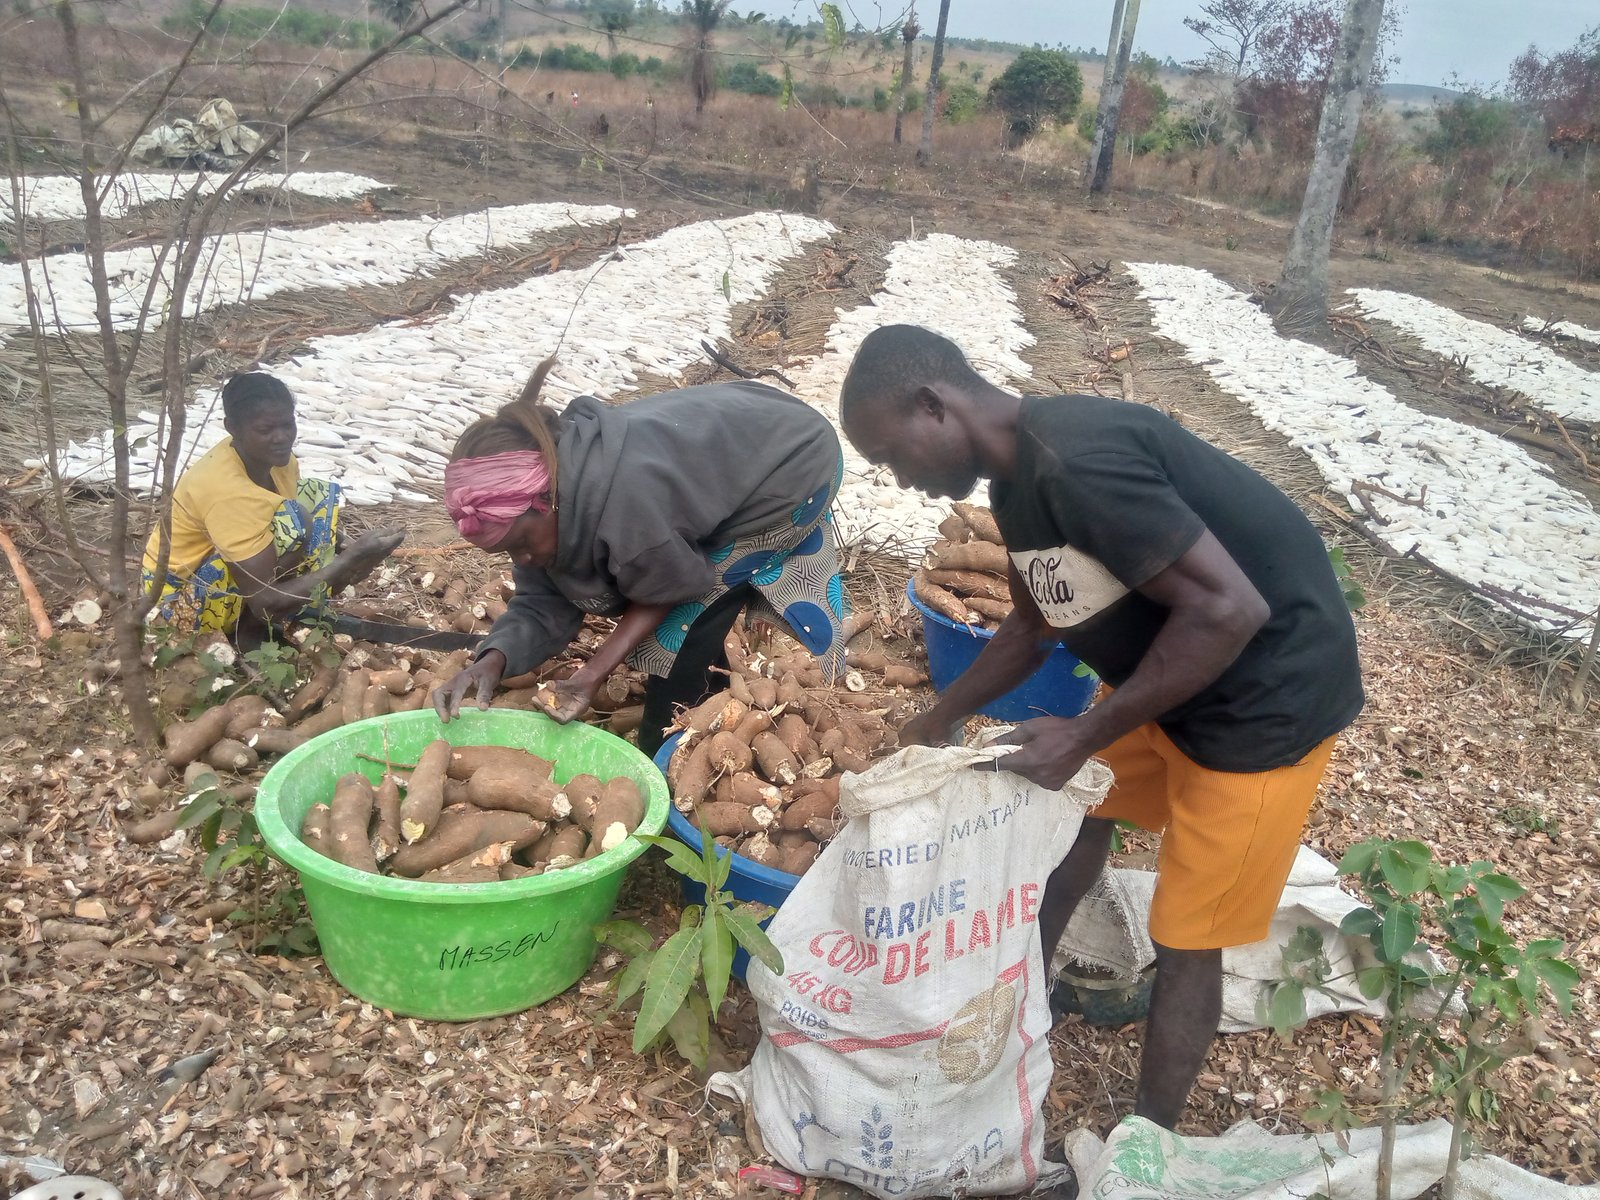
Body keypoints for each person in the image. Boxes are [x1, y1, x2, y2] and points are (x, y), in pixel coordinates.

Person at [838, 324, 1363, 1130]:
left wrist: (1082, 734)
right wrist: (936, 718)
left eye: (889, 455)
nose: (900, 478)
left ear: (932, 405)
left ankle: (1147, 1139)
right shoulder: (1017, 488)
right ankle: (1025, 999)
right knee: (1080, 812)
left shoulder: (1078, 462)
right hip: (1170, 677)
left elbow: (1230, 609)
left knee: (1187, 936)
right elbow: (1030, 628)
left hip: (1263, 706)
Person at [432, 361, 849, 755]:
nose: (521, 560)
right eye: (508, 551)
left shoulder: (626, 511)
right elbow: (541, 602)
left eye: (520, 543)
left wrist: (594, 673)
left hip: (793, 461)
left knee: (688, 619)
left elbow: (671, 588)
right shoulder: (547, 499)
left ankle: (664, 746)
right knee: (671, 587)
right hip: (740, 431)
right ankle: (712, 685)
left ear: (547, 500)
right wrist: (493, 660)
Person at [141, 371, 404, 642]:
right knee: (295, 525)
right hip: (177, 601)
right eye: (265, 430)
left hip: (221, 571)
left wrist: (346, 547)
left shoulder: (277, 461)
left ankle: (280, 611)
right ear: (232, 428)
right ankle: (248, 633)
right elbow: (263, 600)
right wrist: (348, 560)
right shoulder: (227, 491)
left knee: (315, 501)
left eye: (287, 425)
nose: (281, 438)